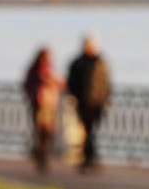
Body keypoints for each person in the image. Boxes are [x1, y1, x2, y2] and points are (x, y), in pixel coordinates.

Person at [66, 36, 111, 172]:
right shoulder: (78, 63)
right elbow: (72, 82)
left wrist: (105, 100)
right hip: (83, 102)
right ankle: (88, 158)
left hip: (96, 102)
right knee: (87, 131)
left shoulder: (100, 62)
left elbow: (105, 83)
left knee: (91, 131)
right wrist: (74, 96)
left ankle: (90, 157)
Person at [23, 47, 63, 172]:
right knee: (40, 131)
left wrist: (53, 81)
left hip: (50, 105)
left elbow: (61, 84)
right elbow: (28, 85)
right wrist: (36, 93)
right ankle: (40, 155)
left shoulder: (51, 70)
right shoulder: (35, 70)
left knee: (48, 132)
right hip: (39, 104)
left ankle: (42, 155)